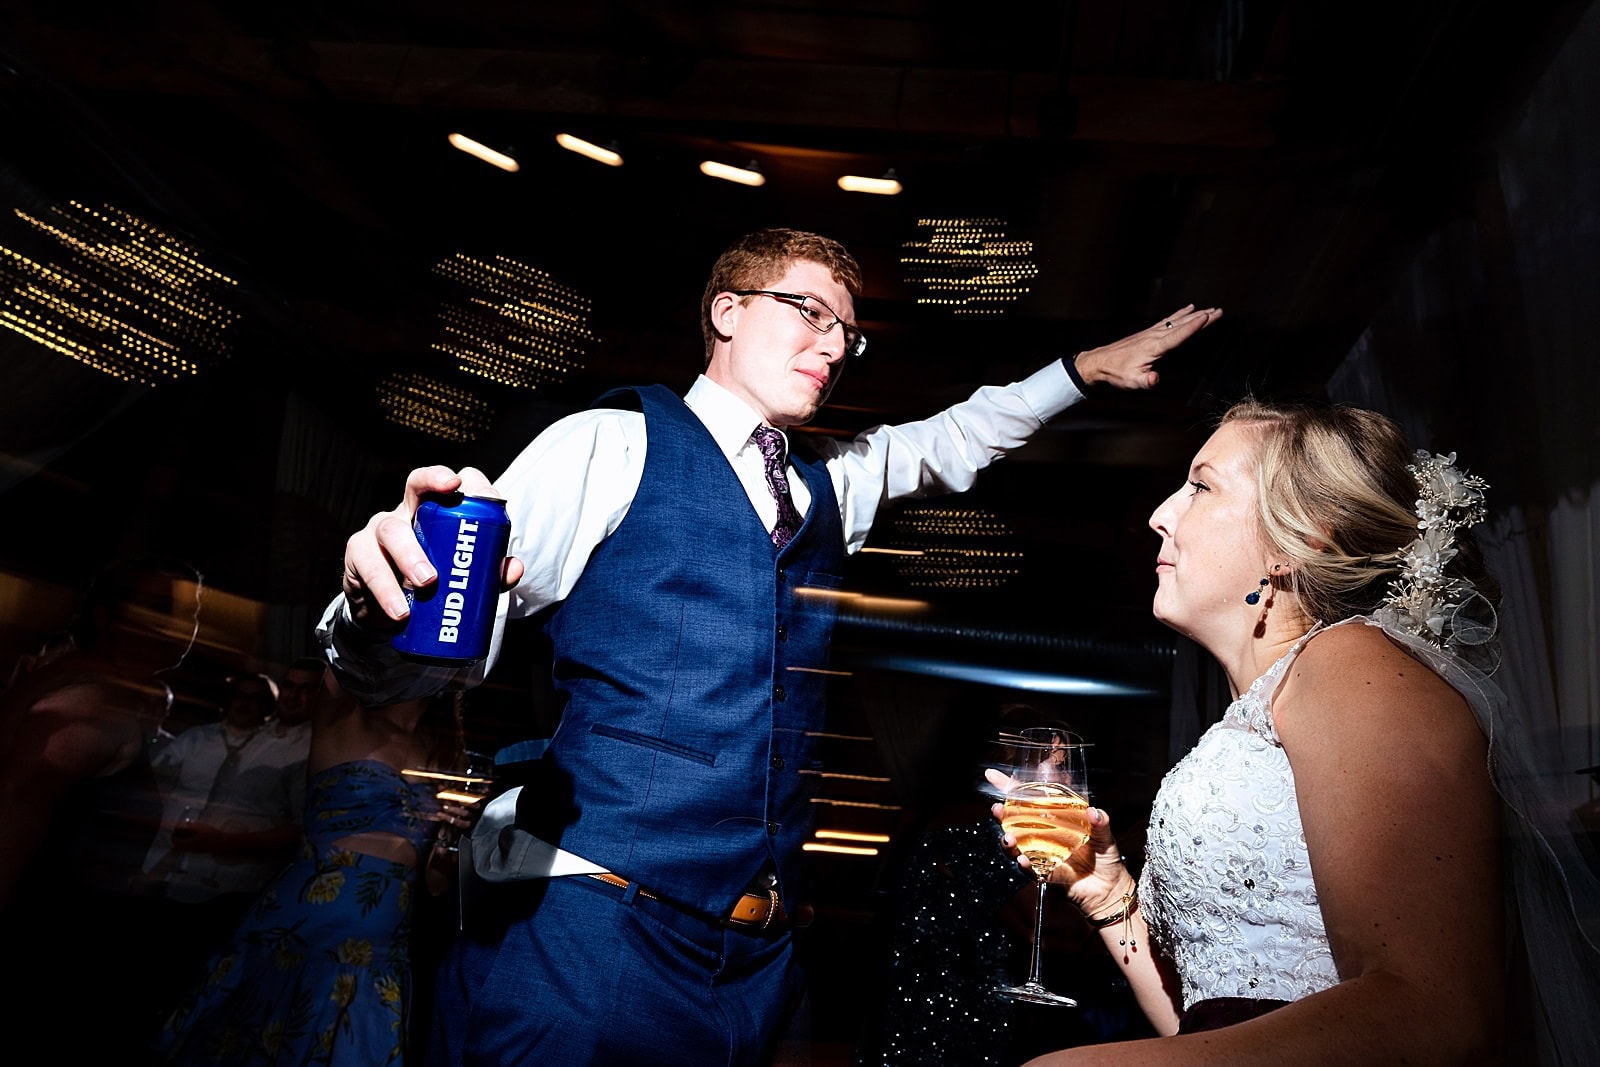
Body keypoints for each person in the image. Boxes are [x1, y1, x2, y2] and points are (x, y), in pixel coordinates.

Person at [319, 227, 1222, 1064]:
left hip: (760, 965)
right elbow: (426, 642)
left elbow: (952, 438)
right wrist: (371, 605)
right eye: (810, 312)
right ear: (727, 311)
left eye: (848, 334)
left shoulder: (827, 488)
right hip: (590, 940)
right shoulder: (612, 443)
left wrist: (1079, 369)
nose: (833, 346)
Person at [992, 399, 1600, 1064]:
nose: (1160, 514)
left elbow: (1433, 1011)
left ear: (1300, 539)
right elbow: (1212, 1017)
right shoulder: (1267, 701)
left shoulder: (1353, 667)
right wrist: (1109, 892)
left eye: (1201, 485)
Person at [155, 664, 479, 1065]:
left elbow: (433, 882)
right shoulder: (345, 719)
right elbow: (341, 650)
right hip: (304, 931)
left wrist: (452, 836)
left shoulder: (445, 752)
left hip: (379, 949)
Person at [0, 558, 203, 1056]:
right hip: (41, 957)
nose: (185, 626)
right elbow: (13, 814)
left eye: (191, 611)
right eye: (161, 606)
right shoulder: (91, 701)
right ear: (107, 617)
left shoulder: (102, 686)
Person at [142, 671, 309, 998]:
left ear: (266, 706)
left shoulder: (279, 750)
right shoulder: (194, 740)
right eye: (239, 696)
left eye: (254, 698)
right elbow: (150, 784)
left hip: (234, 886)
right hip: (172, 875)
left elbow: (297, 825)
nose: (245, 704)